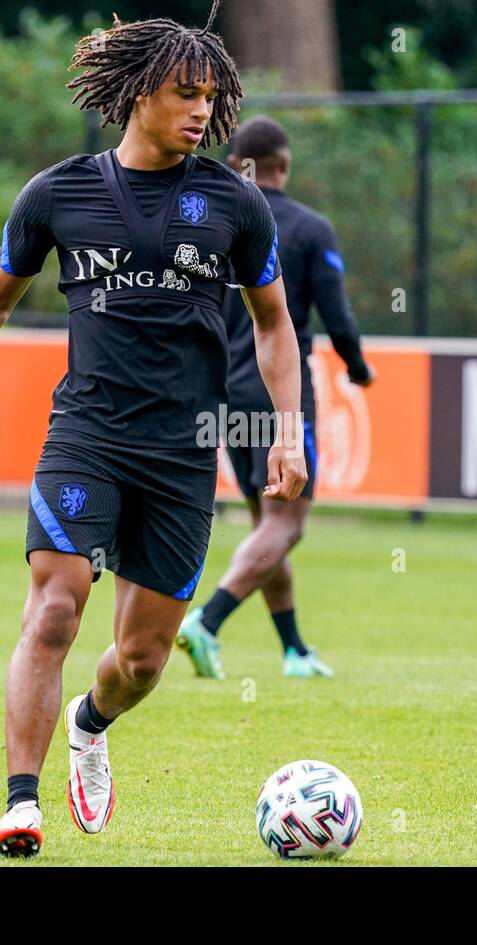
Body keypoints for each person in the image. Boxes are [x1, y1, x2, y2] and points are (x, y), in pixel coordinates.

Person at [0, 2, 306, 858]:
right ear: (140, 92)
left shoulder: (235, 204)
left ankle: (91, 723)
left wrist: (287, 433)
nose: (199, 110)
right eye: (185, 93)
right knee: (54, 610)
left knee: (141, 661)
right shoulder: (57, 193)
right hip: (87, 435)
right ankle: (21, 804)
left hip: (185, 455)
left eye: (208, 96)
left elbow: (273, 325)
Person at [174, 116, 374, 680]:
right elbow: (338, 317)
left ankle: (293, 651)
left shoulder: (215, 223)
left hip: (221, 398)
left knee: (267, 521)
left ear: (241, 163)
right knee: (288, 525)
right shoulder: (310, 229)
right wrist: (358, 369)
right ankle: (207, 622)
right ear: (284, 164)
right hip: (276, 397)